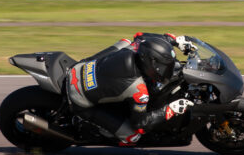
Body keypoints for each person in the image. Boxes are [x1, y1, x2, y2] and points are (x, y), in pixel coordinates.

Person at [65, 32, 196, 147]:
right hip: (79, 98)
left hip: (79, 69)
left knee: (125, 42)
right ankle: (88, 126)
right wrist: (170, 109)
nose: (165, 71)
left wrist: (173, 40)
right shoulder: (138, 90)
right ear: (150, 63)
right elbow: (141, 123)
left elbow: (140, 36)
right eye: (162, 67)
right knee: (133, 136)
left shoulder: (137, 47)